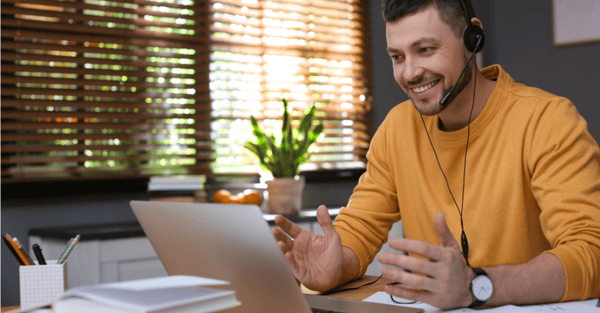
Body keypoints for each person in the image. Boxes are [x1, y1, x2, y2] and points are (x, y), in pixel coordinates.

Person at [271, 0, 600, 310]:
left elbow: (592, 253)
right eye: (397, 57)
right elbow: (359, 229)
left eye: (425, 49)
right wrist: (336, 264)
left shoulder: (548, 119)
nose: (410, 73)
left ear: (472, 38)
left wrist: (476, 285)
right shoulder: (397, 129)